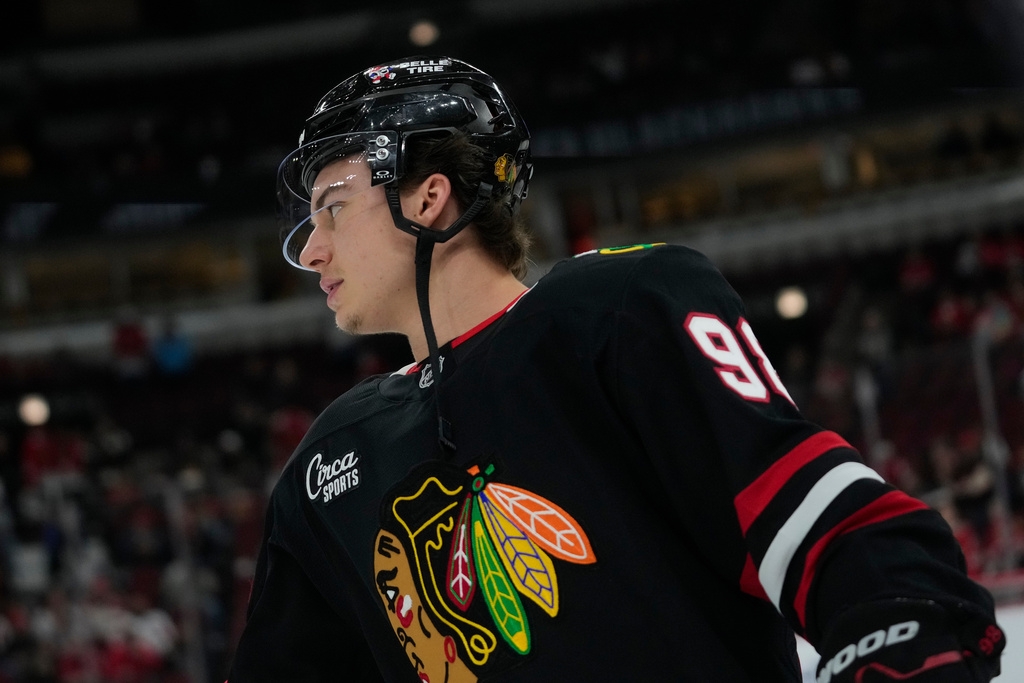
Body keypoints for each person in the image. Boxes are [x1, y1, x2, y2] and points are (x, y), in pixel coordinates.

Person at [228, 56, 1005, 682]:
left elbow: (811, 512)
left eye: (331, 205)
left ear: (428, 196)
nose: (314, 248)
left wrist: (897, 622)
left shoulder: (613, 311)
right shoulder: (329, 464)